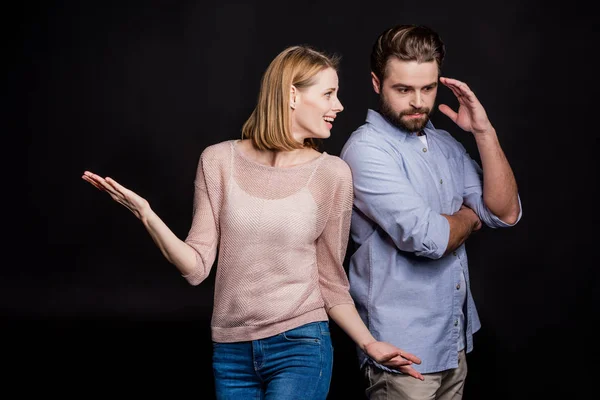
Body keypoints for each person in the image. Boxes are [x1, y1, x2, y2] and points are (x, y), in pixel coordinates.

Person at [82, 45, 424, 400]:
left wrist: (369, 343)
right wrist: (147, 215)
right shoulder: (218, 161)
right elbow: (196, 268)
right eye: (328, 94)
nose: (338, 105)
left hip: (301, 345)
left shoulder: (332, 174)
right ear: (292, 95)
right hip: (230, 352)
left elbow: (331, 281)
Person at [340, 24, 522, 399]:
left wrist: (483, 132)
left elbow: (505, 212)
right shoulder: (366, 150)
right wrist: (471, 217)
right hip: (401, 352)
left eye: (428, 88)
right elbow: (429, 239)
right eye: (403, 89)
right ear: (377, 84)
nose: (418, 102)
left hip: (453, 341)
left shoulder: (444, 143)